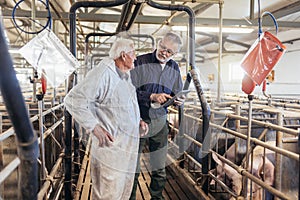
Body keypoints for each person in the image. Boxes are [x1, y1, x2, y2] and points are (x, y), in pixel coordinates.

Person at [64, 38, 148, 200]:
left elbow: (122, 104)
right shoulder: (102, 73)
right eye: (133, 54)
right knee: (109, 194)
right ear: (123, 56)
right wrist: (94, 127)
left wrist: (137, 121)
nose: (136, 57)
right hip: (112, 148)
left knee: (123, 189)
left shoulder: (125, 75)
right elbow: (73, 100)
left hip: (126, 146)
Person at [129, 32, 185, 200]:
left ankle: (156, 197)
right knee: (133, 165)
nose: (164, 53)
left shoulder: (174, 67)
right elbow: (128, 90)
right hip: (137, 119)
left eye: (169, 52)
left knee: (159, 167)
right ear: (158, 43)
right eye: (163, 48)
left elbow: (178, 92)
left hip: (160, 120)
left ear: (174, 54)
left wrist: (179, 100)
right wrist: (151, 96)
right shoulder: (140, 61)